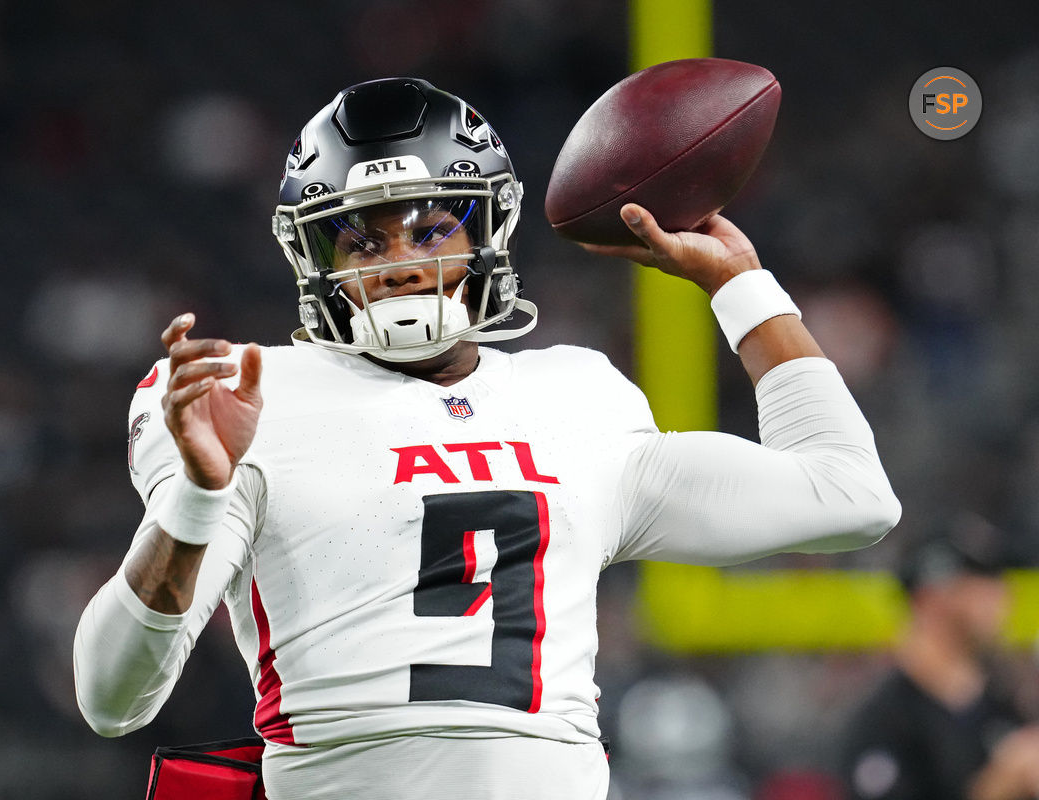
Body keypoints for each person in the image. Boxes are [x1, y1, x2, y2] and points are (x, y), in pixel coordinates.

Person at [73, 77, 901, 800]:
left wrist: (740, 285)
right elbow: (112, 698)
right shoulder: (248, 395)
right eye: (362, 237)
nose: (396, 262)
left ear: (487, 234)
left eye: (431, 229)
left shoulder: (576, 396)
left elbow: (850, 496)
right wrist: (196, 494)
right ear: (312, 255)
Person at [840, 518, 1039, 800]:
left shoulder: (1004, 704)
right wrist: (995, 789)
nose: (1002, 593)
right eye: (983, 578)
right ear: (931, 596)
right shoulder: (884, 721)